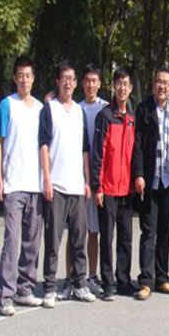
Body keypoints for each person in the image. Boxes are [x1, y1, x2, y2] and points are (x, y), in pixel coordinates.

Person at [39, 61, 96, 308]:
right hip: (57, 186)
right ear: (57, 81)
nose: (68, 82)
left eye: (72, 78)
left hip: (77, 186)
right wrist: (47, 179)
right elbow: (43, 145)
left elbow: (85, 149)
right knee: (53, 241)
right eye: (64, 78)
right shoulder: (49, 109)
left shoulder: (79, 112)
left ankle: (80, 284)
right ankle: (50, 287)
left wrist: (87, 181)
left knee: (78, 240)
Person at [0, 55, 44, 316]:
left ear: (33, 79)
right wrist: (0, 180)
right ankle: (6, 294)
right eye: (20, 76)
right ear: (15, 78)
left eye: (28, 76)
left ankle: (25, 288)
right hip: (13, 184)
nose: (24, 80)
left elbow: (45, 146)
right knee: (12, 240)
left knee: (32, 242)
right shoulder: (6, 105)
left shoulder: (40, 108)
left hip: (35, 184)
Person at [133, 68, 169, 300]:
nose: (162, 86)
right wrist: (139, 174)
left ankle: (162, 278)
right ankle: (146, 281)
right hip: (150, 179)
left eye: (166, 83)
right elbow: (137, 144)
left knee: (165, 232)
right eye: (159, 82)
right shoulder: (144, 109)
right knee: (148, 232)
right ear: (154, 85)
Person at [58, 64, 107, 299]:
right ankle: (70, 277)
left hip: (96, 179)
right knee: (75, 232)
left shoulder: (105, 108)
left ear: (99, 84)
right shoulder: (74, 109)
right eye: (87, 80)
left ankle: (92, 275)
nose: (90, 84)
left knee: (93, 231)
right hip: (75, 179)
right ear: (81, 83)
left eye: (94, 80)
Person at [91, 66, 136, 301]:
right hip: (107, 189)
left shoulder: (133, 117)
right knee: (107, 238)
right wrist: (97, 187)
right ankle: (108, 283)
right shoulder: (105, 116)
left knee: (126, 238)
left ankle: (124, 280)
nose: (122, 88)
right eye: (119, 83)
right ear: (113, 86)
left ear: (130, 88)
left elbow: (136, 153)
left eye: (126, 84)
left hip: (127, 189)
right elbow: (98, 154)